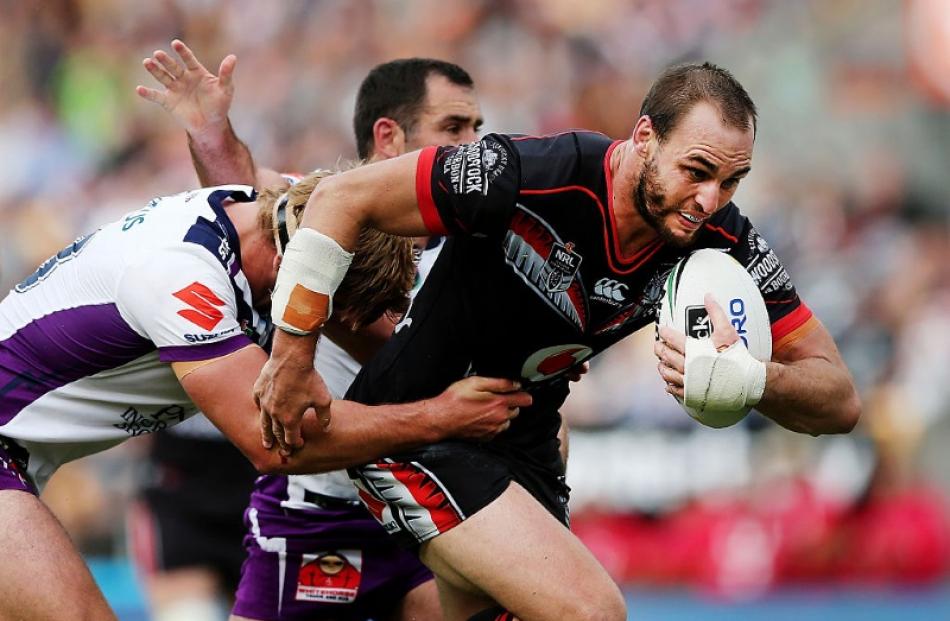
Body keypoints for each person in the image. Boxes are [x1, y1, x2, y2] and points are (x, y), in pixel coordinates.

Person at [255, 61, 862, 620]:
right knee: (593, 612)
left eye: (732, 182)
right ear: (644, 138)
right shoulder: (526, 174)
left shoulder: (720, 241)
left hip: (524, 454)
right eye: (696, 172)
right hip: (416, 437)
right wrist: (291, 356)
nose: (709, 200)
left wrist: (753, 378)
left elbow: (839, 400)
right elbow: (339, 199)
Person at [0, 169, 531, 621]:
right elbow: (276, 444)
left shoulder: (284, 218)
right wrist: (442, 418)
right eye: (326, 317)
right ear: (297, 273)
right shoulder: (183, 278)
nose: (318, 333)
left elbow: (376, 327)